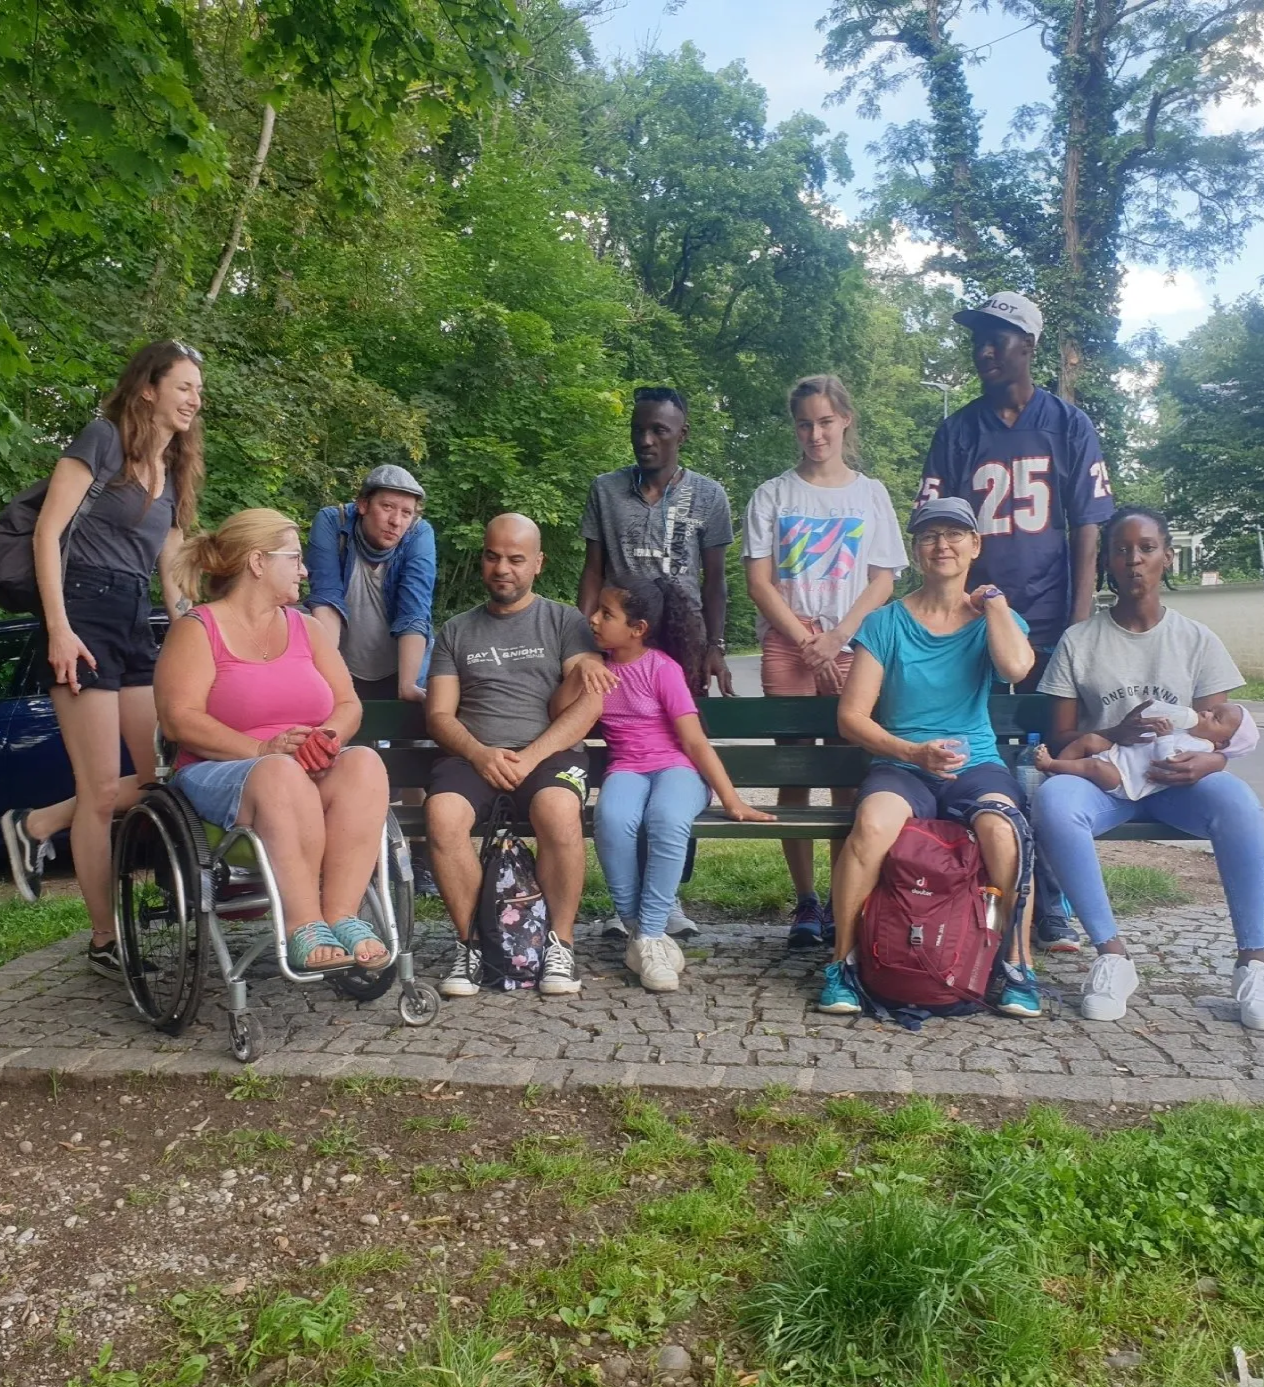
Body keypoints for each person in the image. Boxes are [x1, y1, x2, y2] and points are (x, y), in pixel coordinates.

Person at [917, 291, 1117, 955]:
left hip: (1054, 622)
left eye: (996, 338)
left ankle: (1051, 905)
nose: (983, 350)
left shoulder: (1067, 423)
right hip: (977, 623)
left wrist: (1082, 619)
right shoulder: (958, 431)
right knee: (987, 760)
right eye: (977, 338)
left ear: (1029, 346)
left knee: (1048, 763)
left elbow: (1088, 524)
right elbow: (938, 529)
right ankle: (985, 898)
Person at [1, 341, 205, 979]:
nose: (195, 400)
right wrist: (57, 629)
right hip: (80, 611)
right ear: (148, 387)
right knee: (95, 794)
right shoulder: (102, 437)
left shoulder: (174, 468)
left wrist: (193, 629)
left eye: (199, 391)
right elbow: (47, 531)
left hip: (129, 619)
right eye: (185, 387)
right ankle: (102, 940)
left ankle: (32, 827)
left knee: (160, 776)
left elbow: (172, 566)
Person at [1033, 506, 1264, 1028]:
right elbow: (1060, 737)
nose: (1134, 560)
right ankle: (1112, 957)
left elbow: (1219, 728)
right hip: (1108, 777)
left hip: (1172, 780)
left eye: (1147, 548)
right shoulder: (1081, 641)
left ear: (1166, 557)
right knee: (1052, 801)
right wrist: (1115, 733)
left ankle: (1253, 962)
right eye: (1122, 550)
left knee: (1241, 805)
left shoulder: (1196, 639)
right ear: (1108, 562)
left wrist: (1210, 762)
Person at [816, 497, 1042, 1019]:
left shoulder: (993, 617)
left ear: (975, 546)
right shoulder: (886, 623)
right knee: (872, 826)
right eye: (929, 536)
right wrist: (912, 750)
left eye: (955, 534)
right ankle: (842, 964)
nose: (942, 544)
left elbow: (1015, 667)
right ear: (916, 551)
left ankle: (1017, 966)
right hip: (902, 765)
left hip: (976, 764)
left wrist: (997, 606)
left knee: (1003, 830)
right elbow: (852, 718)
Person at [156, 509, 391, 972]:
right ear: (258, 562)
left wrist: (327, 737)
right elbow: (179, 720)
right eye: (295, 558)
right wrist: (261, 751)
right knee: (279, 772)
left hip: (304, 766)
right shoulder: (198, 629)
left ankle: (342, 915)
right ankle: (302, 923)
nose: (304, 571)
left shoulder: (307, 626)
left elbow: (349, 705)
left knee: (364, 762)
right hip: (222, 771)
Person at [744, 374, 907, 948]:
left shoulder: (871, 494)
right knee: (795, 776)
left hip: (852, 642)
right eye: (805, 423)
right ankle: (806, 902)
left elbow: (882, 579)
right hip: (789, 645)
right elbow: (759, 582)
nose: (816, 433)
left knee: (845, 780)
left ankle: (844, 898)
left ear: (845, 422)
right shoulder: (772, 495)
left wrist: (838, 636)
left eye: (826, 422)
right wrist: (806, 637)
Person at [426, 514, 609, 999]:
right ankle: (474, 947)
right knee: (442, 815)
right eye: (492, 556)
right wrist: (480, 753)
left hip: (547, 755)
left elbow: (590, 700)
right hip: (473, 756)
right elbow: (440, 715)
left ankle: (559, 945)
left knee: (559, 811)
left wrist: (530, 756)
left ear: (538, 564)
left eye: (515, 559)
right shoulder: (456, 631)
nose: (501, 568)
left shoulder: (565, 621)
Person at [579, 385, 737, 940]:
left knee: (677, 767)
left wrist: (715, 644)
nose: (646, 440)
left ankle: (665, 901)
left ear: (682, 433)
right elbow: (593, 571)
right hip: (621, 642)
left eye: (659, 431)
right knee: (628, 764)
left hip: (683, 648)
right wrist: (583, 644)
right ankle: (632, 901)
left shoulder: (710, 495)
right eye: (639, 429)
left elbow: (715, 579)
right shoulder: (606, 490)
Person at [582, 578, 773, 991]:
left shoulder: (661, 668)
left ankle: (649, 933)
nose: (593, 619)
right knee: (612, 820)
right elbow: (560, 709)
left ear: (638, 628)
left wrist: (732, 800)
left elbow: (693, 740)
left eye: (606, 614)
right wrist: (582, 667)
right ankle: (642, 934)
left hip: (677, 769)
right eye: (597, 610)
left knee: (666, 818)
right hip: (627, 768)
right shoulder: (597, 670)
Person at [307, 463, 435, 703]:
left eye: (407, 512)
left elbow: (414, 609)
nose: (396, 521)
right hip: (343, 661)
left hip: (401, 664)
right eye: (387, 507)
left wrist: (407, 685)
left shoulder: (419, 534)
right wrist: (327, 676)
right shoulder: (331, 523)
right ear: (363, 504)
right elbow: (326, 599)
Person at [1034, 702, 1258, 799]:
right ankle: (1059, 772)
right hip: (1122, 755)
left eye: (1215, 718)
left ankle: (1051, 764)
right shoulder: (1188, 730)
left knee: (1095, 766)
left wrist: (1164, 737)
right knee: (1091, 739)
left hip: (1127, 781)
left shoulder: (1201, 748)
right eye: (1210, 710)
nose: (1206, 714)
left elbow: (1169, 765)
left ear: (1221, 744)